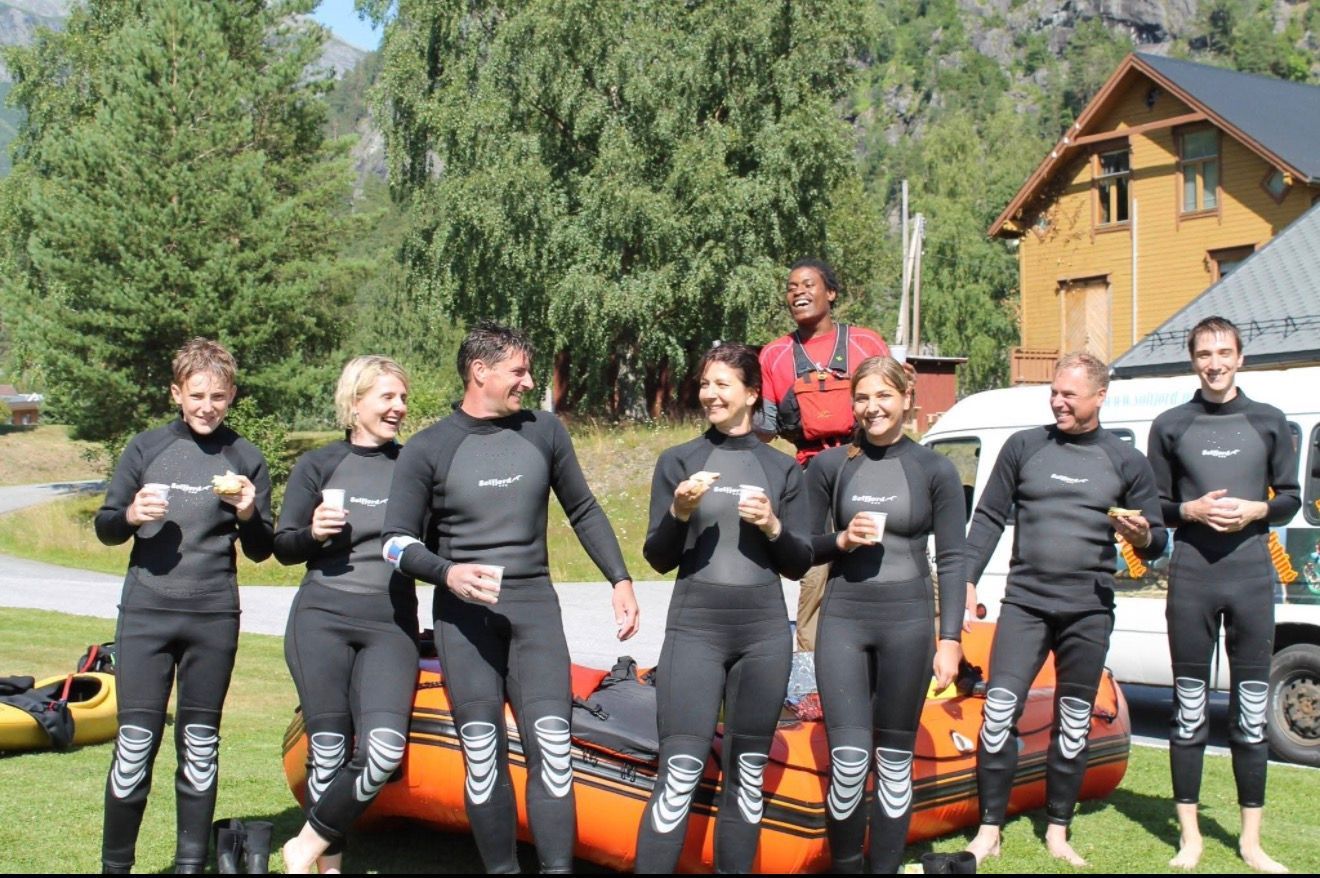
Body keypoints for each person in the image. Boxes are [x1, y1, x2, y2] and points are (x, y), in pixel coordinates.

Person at [381, 322, 639, 874]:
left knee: (552, 749)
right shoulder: (429, 448)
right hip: (463, 619)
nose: (528, 381)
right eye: (518, 371)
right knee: (481, 754)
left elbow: (584, 509)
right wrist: (448, 574)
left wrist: (619, 578)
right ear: (481, 372)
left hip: (533, 610)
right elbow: (395, 543)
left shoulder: (543, 432)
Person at [962, 352, 1168, 867]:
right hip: (1026, 604)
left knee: (1073, 721)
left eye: (1069, 395)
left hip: (1089, 609)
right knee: (998, 714)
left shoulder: (1125, 461)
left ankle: (1058, 828)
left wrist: (1142, 537)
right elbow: (987, 517)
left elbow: (1156, 540)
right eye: (1054, 392)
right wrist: (964, 577)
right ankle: (989, 829)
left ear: (1100, 397)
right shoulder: (1024, 447)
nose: (1058, 401)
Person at [94, 338, 274, 874]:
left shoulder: (244, 457)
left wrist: (247, 511)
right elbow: (105, 529)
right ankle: (115, 867)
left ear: (232, 395)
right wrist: (129, 514)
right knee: (134, 747)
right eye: (197, 394)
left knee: (199, 745)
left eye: (219, 396)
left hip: (213, 616)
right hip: (147, 613)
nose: (207, 406)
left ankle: (190, 864)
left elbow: (263, 549)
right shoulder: (146, 448)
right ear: (177, 392)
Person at [634, 343, 813, 874]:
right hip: (695, 632)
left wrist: (773, 527)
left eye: (722, 385)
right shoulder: (680, 461)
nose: (710, 394)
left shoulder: (782, 469)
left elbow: (800, 562)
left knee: (748, 776)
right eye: (705, 384)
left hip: (762, 637)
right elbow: (659, 557)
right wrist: (678, 511)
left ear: (752, 394)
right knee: (681, 770)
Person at [1146, 316, 1298, 873]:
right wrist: (1190, 510)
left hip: (1252, 576)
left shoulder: (1269, 422)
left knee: (1251, 716)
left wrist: (1258, 508)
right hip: (1192, 577)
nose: (1215, 362)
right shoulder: (1170, 425)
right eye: (1205, 353)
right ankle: (1191, 838)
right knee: (1189, 713)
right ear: (1193, 360)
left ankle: (1252, 842)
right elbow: (1155, 506)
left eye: (1224, 352)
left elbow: (1291, 498)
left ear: (1240, 358)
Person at [805, 356, 967, 873]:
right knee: (850, 763)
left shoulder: (935, 469)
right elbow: (802, 546)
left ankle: (887, 868)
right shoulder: (832, 468)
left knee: (895, 765)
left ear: (905, 398)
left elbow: (955, 558)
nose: (872, 407)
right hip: (845, 622)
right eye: (862, 397)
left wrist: (950, 639)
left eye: (883, 396)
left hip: (910, 624)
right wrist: (841, 539)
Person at [276, 356, 418, 875]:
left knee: (382, 751)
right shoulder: (318, 465)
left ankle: (305, 845)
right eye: (387, 397)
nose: (399, 407)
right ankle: (328, 870)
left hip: (391, 625)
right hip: (321, 618)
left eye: (403, 398)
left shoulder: (413, 465)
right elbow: (283, 546)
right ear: (354, 402)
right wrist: (313, 532)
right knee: (329, 749)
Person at [755, 258, 890, 651]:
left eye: (808, 284)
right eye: (791, 286)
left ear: (830, 293)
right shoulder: (774, 355)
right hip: (810, 474)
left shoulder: (866, 343)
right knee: (814, 569)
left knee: (886, 557)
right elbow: (763, 427)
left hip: (869, 467)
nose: (798, 291)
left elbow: (895, 402)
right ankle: (811, 670)